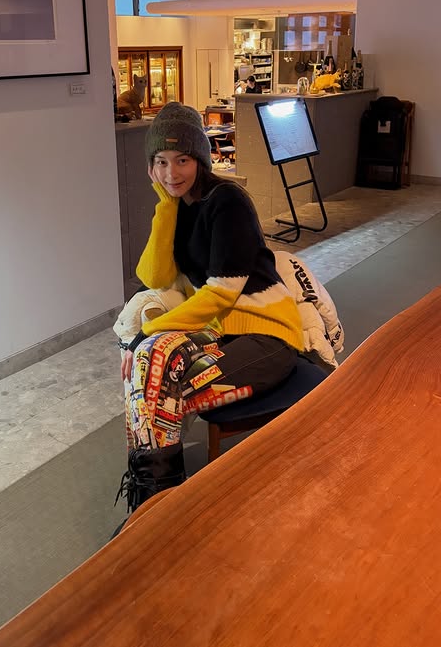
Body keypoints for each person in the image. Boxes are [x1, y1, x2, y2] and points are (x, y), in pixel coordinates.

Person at [115, 102, 308, 514]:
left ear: (200, 159)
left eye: (182, 160)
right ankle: (157, 500)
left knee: (155, 390)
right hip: (221, 333)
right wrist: (165, 205)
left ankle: (157, 506)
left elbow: (220, 293)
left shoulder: (227, 202)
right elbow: (155, 275)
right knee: (149, 365)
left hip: (267, 336)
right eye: (161, 162)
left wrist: (146, 332)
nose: (172, 173)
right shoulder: (178, 205)